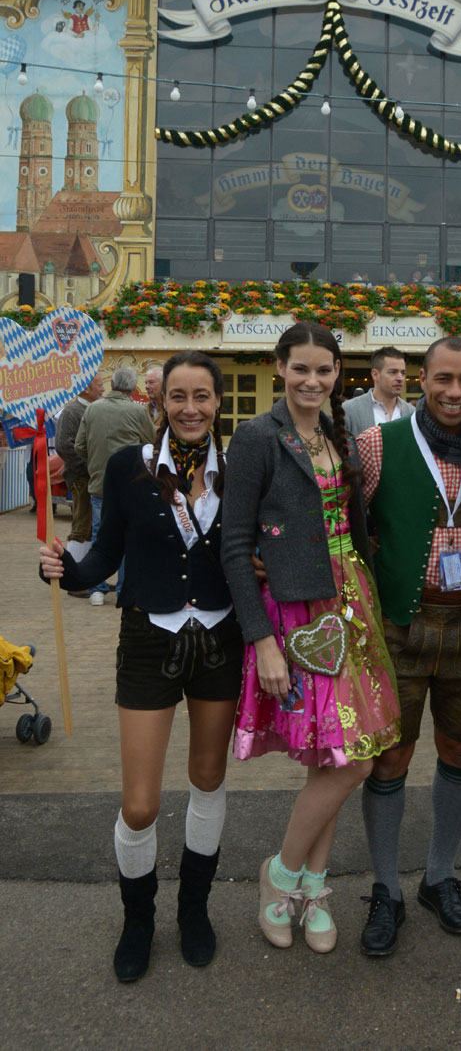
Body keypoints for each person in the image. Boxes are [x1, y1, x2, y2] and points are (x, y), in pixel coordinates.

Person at [39, 353, 242, 981]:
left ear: (217, 402)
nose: (189, 408)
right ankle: (138, 917)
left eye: (201, 396)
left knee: (208, 781)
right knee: (140, 804)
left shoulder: (238, 472)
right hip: (149, 641)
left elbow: (255, 549)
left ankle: (194, 910)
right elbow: (105, 553)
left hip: (219, 638)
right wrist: (65, 571)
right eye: (177, 395)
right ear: (158, 402)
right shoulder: (131, 467)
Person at [221, 322, 400, 955]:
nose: (312, 381)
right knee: (348, 758)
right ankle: (286, 878)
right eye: (301, 368)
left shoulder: (337, 437)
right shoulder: (255, 439)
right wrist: (262, 640)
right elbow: (236, 547)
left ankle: (306, 882)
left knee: (346, 754)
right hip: (298, 615)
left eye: (324, 370)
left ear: (336, 374)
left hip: (353, 604)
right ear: (279, 367)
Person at [355, 336, 461, 956]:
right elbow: (342, 522)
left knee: (460, 752)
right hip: (398, 628)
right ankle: (386, 888)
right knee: (390, 760)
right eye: (443, 379)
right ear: (420, 380)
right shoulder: (379, 444)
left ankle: (438, 877)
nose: (455, 392)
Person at [75, 366, 156, 605]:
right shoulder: (137, 411)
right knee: (128, 537)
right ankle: (123, 589)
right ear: (132, 387)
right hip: (131, 486)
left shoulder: (91, 410)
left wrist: (95, 460)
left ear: (112, 384)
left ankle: (97, 589)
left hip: (99, 483)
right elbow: (151, 442)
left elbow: (79, 445)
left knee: (100, 536)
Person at [54, 369, 104, 571]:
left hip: (91, 477)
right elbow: (63, 446)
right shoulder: (72, 411)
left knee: (91, 526)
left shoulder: (94, 409)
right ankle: (75, 576)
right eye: (99, 385)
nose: (102, 389)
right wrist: (87, 467)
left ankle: (87, 575)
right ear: (85, 389)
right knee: (81, 525)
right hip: (80, 478)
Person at [343, 347, 414, 435]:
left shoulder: (412, 413)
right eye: (393, 372)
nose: (400, 378)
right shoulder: (349, 410)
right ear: (375, 375)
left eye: (403, 373)